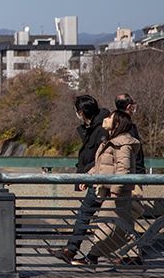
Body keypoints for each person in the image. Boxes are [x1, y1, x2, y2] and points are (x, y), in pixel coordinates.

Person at [73, 109, 145, 266]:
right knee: (124, 226)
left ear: (117, 123)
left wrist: (115, 191)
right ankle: (132, 257)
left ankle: (92, 257)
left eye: (110, 117)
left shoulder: (123, 144)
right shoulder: (113, 141)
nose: (106, 119)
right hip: (113, 191)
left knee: (105, 224)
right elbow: (102, 166)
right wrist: (88, 178)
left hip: (118, 192)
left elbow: (123, 169)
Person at [47, 94, 110, 263]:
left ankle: (75, 251)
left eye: (76, 109)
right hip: (95, 179)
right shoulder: (92, 127)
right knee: (96, 216)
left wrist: (88, 178)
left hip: (99, 180)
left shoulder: (101, 129)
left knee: (87, 214)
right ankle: (78, 252)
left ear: (81, 112)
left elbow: (101, 158)